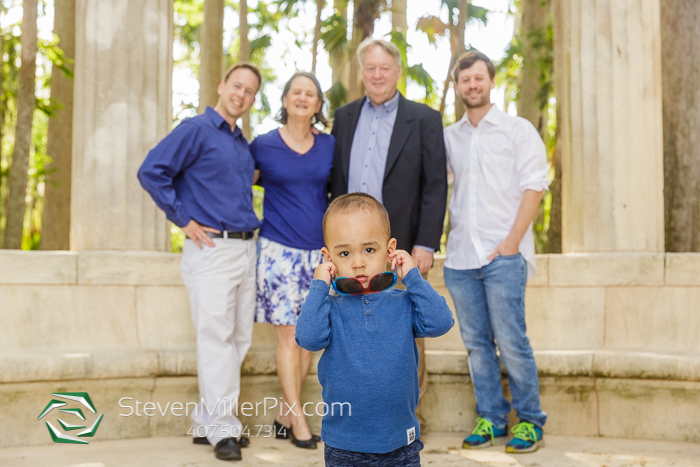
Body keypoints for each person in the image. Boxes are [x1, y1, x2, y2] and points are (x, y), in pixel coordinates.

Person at [138, 63, 262, 462]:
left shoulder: (242, 143)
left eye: (250, 91)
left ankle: (206, 421)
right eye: (236, 86)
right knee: (216, 337)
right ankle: (223, 429)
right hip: (212, 251)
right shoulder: (195, 129)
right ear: (222, 85)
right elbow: (151, 171)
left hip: (246, 249)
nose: (241, 95)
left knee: (239, 337)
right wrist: (183, 221)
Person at [329, 38, 448, 430]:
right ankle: (363, 416)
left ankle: (409, 417)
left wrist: (426, 244)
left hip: (400, 249)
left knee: (408, 333)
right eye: (370, 68)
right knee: (354, 327)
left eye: (385, 68)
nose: (377, 75)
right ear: (361, 72)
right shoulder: (344, 117)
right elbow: (335, 184)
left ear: (397, 72)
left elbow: (434, 186)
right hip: (351, 252)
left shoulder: (425, 119)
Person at [296, 192, 454, 466]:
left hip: (401, 445)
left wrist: (413, 277)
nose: (358, 262)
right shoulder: (330, 309)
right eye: (345, 253)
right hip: (344, 446)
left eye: (369, 250)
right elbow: (308, 338)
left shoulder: (404, 303)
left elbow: (441, 322)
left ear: (390, 250)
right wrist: (320, 285)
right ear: (328, 257)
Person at [443, 51, 550, 453]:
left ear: (491, 82)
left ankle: (530, 421)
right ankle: (490, 418)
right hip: (459, 260)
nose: (472, 85)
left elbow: (534, 186)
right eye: (465, 79)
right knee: (476, 345)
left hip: (503, 256)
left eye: (478, 78)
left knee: (512, 340)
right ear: (457, 87)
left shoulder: (517, 130)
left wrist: (510, 244)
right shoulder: (448, 137)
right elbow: (437, 188)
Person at [250, 72, 334, 449]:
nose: (303, 98)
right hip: (277, 252)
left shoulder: (329, 145)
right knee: (288, 339)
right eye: (296, 92)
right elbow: (233, 185)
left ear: (318, 104)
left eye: (310, 94)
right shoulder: (263, 145)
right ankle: (298, 422)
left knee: (308, 340)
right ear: (284, 100)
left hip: (317, 254)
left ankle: (285, 414)